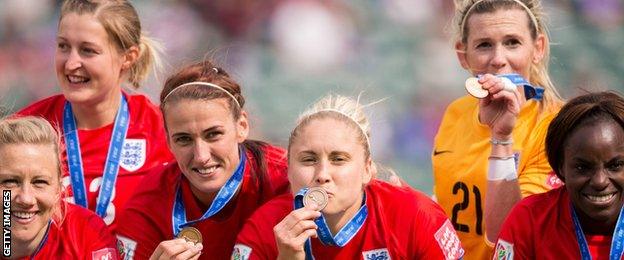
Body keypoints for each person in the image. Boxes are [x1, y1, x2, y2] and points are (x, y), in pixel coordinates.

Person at [234, 95, 465, 259]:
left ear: (367, 170)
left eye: (339, 159)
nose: (323, 175)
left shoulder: (415, 216)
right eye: (308, 159)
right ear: (288, 171)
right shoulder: (264, 227)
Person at [15, 0, 174, 229]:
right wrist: (10, 244)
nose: (70, 63)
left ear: (128, 57)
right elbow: (5, 225)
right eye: (63, 46)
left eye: (88, 51)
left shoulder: (162, 129)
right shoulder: (24, 131)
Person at [115, 60, 290, 260]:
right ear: (168, 141)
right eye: (184, 139)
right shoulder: (150, 200)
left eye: (213, 134)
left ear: (241, 126)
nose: (201, 156)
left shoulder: (285, 179)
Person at [432, 0, 565, 258]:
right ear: (463, 55)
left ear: (538, 48)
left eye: (512, 42)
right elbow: (450, 205)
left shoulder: (557, 127)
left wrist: (501, 138)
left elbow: (509, 237)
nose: (498, 60)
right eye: (484, 45)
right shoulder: (455, 112)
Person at [494, 91, 624, 259]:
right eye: (582, 167)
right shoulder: (530, 219)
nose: (600, 181)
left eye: (615, 166)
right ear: (560, 166)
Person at [0, 116, 119, 259]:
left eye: (40, 182)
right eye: (10, 181)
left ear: (58, 190)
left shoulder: (86, 233)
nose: (26, 198)